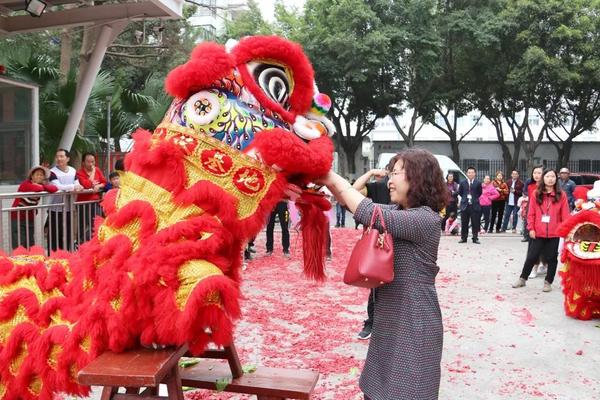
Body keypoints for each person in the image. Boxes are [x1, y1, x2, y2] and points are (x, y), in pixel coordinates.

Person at [319, 148, 446, 400]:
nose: (390, 180)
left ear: (418, 178)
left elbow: (369, 213)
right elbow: (351, 201)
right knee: (377, 390)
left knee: (406, 392)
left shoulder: (425, 219)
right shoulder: (398, 213)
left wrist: (330, 176)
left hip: (414, 321)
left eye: (397, 173)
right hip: (390, 318)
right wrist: (321, 182)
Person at [512, 168, 570, 292]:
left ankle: (548, 282)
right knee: (532, 256)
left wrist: (565, 231)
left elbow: (565, 215)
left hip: (554, 233)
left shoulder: (561, 195)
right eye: (548, 176)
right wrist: (531, 228)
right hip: (538, 232)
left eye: (553, 177)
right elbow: (531, 213)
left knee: (552, 258)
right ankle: (523, 279)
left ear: (556, 179)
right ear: (544, 178)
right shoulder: (536, 193)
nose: (550, 179)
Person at [352, 166, 392, 340]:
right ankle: (371, 323)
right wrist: (369, 173)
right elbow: (355, 190)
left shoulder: (412, 191)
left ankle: (391, 326)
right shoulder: (380, 187)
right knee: (376, 285)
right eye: (393, 171)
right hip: (379, 242)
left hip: (400, 243)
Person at [11, 166, 58, 249]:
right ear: (32, 176)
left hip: (29, 217)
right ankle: (19, 261)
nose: (39, 176)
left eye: (41, 175)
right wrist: (44, 188)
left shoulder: (41, 186)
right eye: (37, 174)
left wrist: (43, 187)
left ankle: (30, 260)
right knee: (19, 242)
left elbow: (54, 188)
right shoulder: (26, 184)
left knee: (30, 242)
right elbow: (35, 188)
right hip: (18, 216)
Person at [47, 148, 83, 251]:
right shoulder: (52, 172)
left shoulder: (73, 170)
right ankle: (53, 256)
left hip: (69, 208)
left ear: (67, 158)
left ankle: (66, 255)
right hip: (55, 208)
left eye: (61, 156)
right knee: (54, 234)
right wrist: (74, 187)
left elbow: (77, 183)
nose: (59, 159)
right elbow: (58, 187)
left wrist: (78, 186)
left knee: (68, 233)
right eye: (57, 156)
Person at [76, 153, 107, 242]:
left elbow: (104, 182)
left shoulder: (98, 170)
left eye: (93, 161)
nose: (91, 164)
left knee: (96, 223)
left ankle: (95, 242)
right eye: (88, 162)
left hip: (95, 202)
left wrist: (99, 186)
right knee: (83, 225)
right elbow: (88, 185)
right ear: (83, 162)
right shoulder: (79, 173)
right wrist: (93, 172)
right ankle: (80, 243)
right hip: (83, 203)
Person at [458, 166, 482, 244]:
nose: (470, 174)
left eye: (472, 172)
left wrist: (474, 199)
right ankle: (464, 238)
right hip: (465, 205)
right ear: (466, 173)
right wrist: (465, 199)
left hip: (474, 205)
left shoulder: (478, 183)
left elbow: (479, 193)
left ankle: (475, 238)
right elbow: (460, 192)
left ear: (475, 173)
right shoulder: (462, 182)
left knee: (475, 222)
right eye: (469, 172)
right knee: (464, 222)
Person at [521, 165, 544, 243]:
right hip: (531, 205)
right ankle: (526, 235)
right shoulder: (530, 183)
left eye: (539, 173)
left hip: (542, 207)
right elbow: (524, 191)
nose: (536, 175)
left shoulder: (545, 185)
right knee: (528, 220)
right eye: (534, 173)